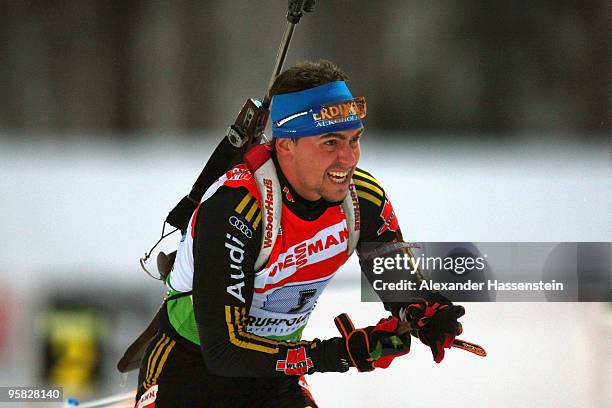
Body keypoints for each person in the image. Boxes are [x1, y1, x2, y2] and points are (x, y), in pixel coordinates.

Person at [134, 59, 465, 408]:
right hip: (189, 368)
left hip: (272, 376)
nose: (348, 159)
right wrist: (337, 355)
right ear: (285, 144)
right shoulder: (237, 209)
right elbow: (224, 350)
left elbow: (402, 286)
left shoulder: (361, 199)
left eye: (354, 140)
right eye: (330, 142)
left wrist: (424, 312)